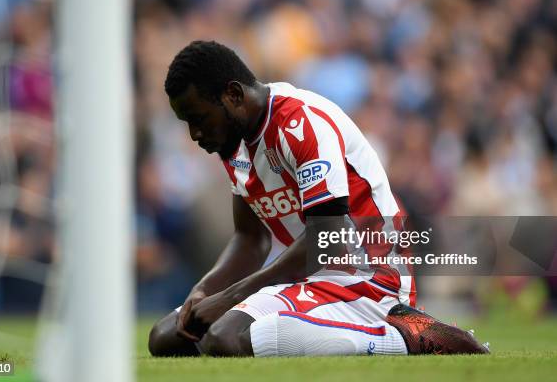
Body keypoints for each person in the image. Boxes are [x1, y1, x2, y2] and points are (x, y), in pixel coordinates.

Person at [148, 40, 488, 357]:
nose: (194, 134)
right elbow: (250, 239)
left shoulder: (302, 122)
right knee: (166, 338)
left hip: (368, 276)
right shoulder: (232, 141)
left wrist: (232, 297)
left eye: (198, 119)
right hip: (308, 276)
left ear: (233, 96)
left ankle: (403, 335)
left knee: (225, 337)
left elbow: (327, 240)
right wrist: (204, 291)